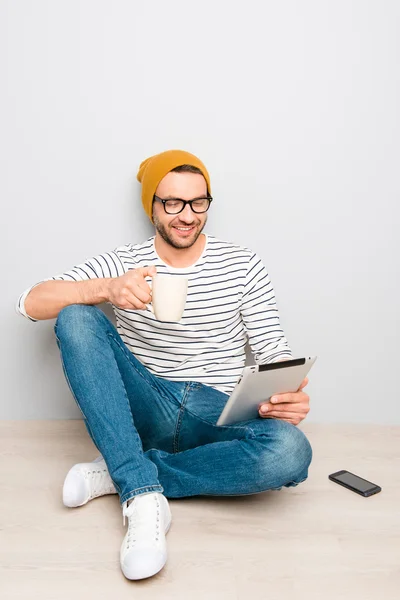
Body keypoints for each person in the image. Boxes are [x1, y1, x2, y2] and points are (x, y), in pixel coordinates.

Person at [16, 149, 312, 581]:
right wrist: (107, 288)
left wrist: (288, 396)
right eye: (172, 202)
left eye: (198, 202)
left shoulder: (243, 264)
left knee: (291, 451)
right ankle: (141, 496)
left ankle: (125, 471)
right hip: (147, 401)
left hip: (216, 410)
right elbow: (29, 302)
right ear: (152, 206)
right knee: (75, 315)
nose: (187, 215)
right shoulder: (124, 262)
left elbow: (272, 349)